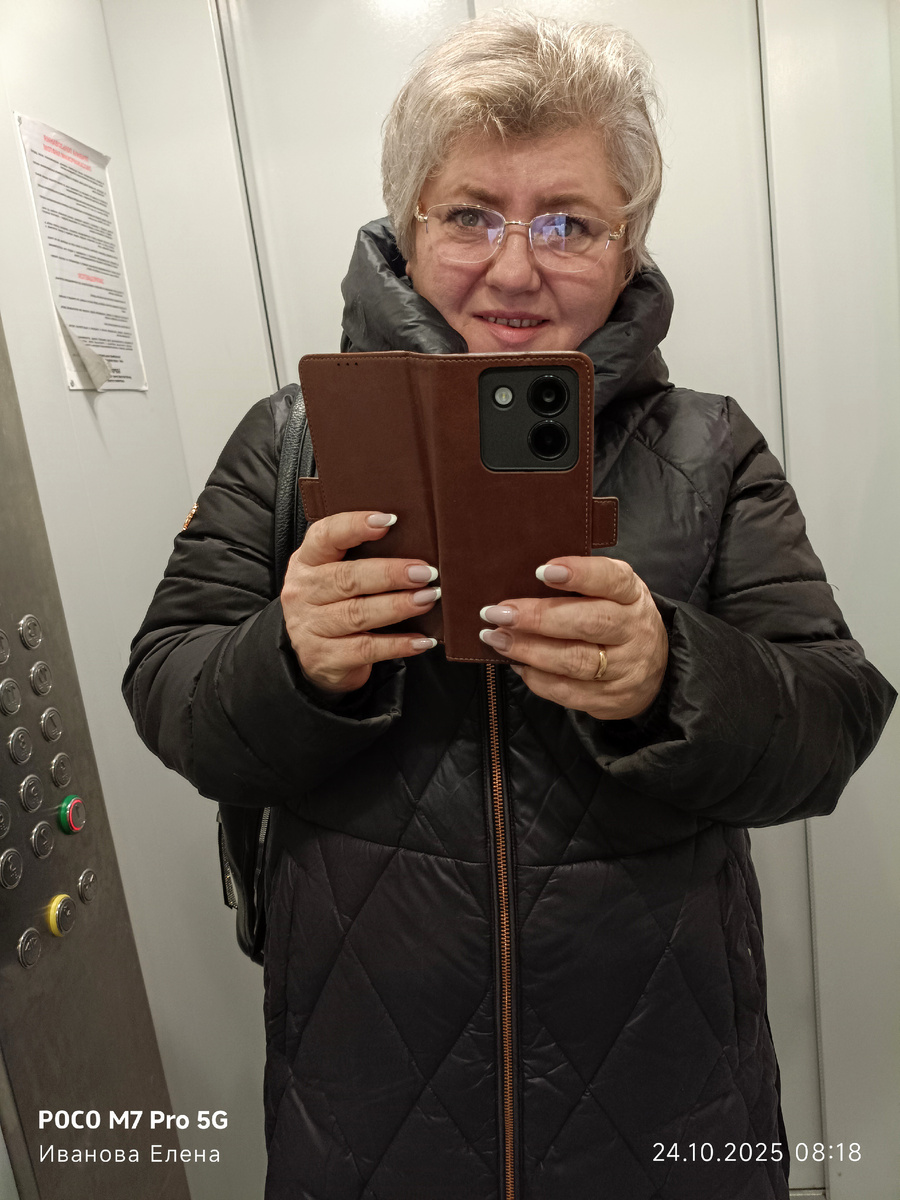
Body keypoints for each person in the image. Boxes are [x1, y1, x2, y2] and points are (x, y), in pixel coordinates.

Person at [123, 11, 895, 1200]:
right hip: (368, 1094)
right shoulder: (289, 441)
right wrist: (289, 658)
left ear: (628, 248)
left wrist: (671, 674)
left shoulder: (710, 450)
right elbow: (168, 685)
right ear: (407, 226)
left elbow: (834, 719)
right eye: (471, 214)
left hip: (667, 1088)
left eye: (569, 222)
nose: (518, 267)